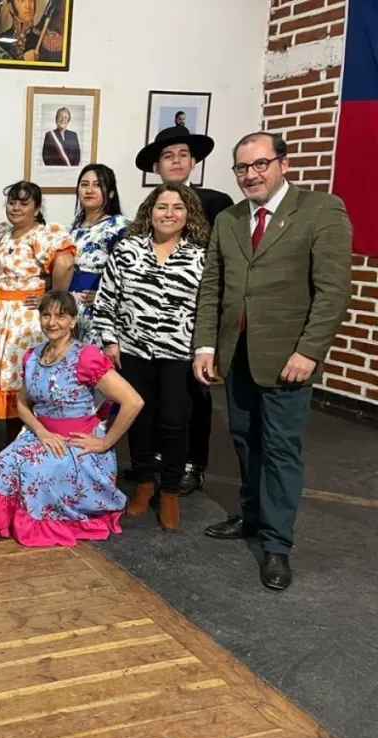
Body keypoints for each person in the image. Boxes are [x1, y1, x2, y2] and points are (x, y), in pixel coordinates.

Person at [194, 132, 352, 591]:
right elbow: (213, 288)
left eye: (260, 164)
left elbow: (333, 292)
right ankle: (251, 516)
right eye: (242, 168)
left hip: (288, 358)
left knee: (281, 450)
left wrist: (309, 351)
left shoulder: (322, 211)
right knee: (244, 439)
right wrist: (205, 346)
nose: (251, 175)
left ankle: (277, 544)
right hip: (236, 353)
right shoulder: (228, 219)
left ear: (282, 163)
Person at [0, 291, 143, 546]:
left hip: (77, 443)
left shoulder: (87, 356)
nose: (52, 322)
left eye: (61, 316)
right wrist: (41, 432)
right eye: (46, 315)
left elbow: (134, 401)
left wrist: (105, 443)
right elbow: (22, 404)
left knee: (36, 472)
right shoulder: (33, 356)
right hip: (41, 435)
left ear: (73, 321)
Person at [94, 183, 209, 531]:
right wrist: (110, 341)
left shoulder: (201, 255)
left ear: (188, 214)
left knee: (175, 420)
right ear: (150, 211)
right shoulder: (127, 250)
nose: (169, 214)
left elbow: (208, 308)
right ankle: (144, 483)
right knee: (139, 419)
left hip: (179, 353)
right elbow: (106, 299)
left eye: (177, 207)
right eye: (162, 207)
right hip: (133, 349)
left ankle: (170, 491)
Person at [135, 124, 234, 494]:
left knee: (194, 395)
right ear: (157, 166)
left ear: (193, 161)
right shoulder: (151, 208)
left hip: (196, 316)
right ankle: (161, 460)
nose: (175, 162)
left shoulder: (216, 204)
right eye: (167, 156)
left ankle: (194, 463)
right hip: (152, 322)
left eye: (182, 155)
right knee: (158, 396)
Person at [0, 180, 75, 441]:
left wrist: (53, 298)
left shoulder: (42, 234)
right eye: (12, 201)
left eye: (24, 203)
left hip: (24, 318)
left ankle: (28, 443)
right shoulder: (2, 232)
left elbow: (65, 263)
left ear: (36, 208)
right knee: (4, 380)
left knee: (21, 379)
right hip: (0, 314)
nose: (16, 207)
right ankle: (11, 446)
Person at [67, 164, 130, 345]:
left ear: (110, 192)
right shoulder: (72, 228)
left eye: (97, 185)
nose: (89, 190)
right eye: (84, 184)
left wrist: (104, 297)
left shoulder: (120, 226)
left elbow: (129, 273)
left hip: (100, 311)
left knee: (95, 367)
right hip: (70, 309)